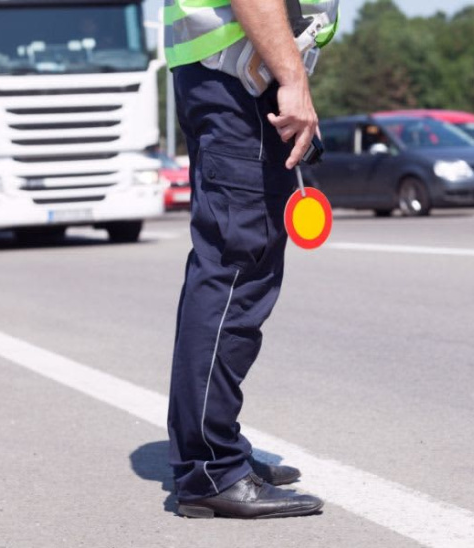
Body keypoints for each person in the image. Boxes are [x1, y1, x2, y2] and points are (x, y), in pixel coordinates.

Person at [164, 0, 339, 519]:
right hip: (239, 71)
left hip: (234, 69)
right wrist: (291, 77)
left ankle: (212, 453)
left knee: (235, 263)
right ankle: (210, 466)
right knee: (236, 266)